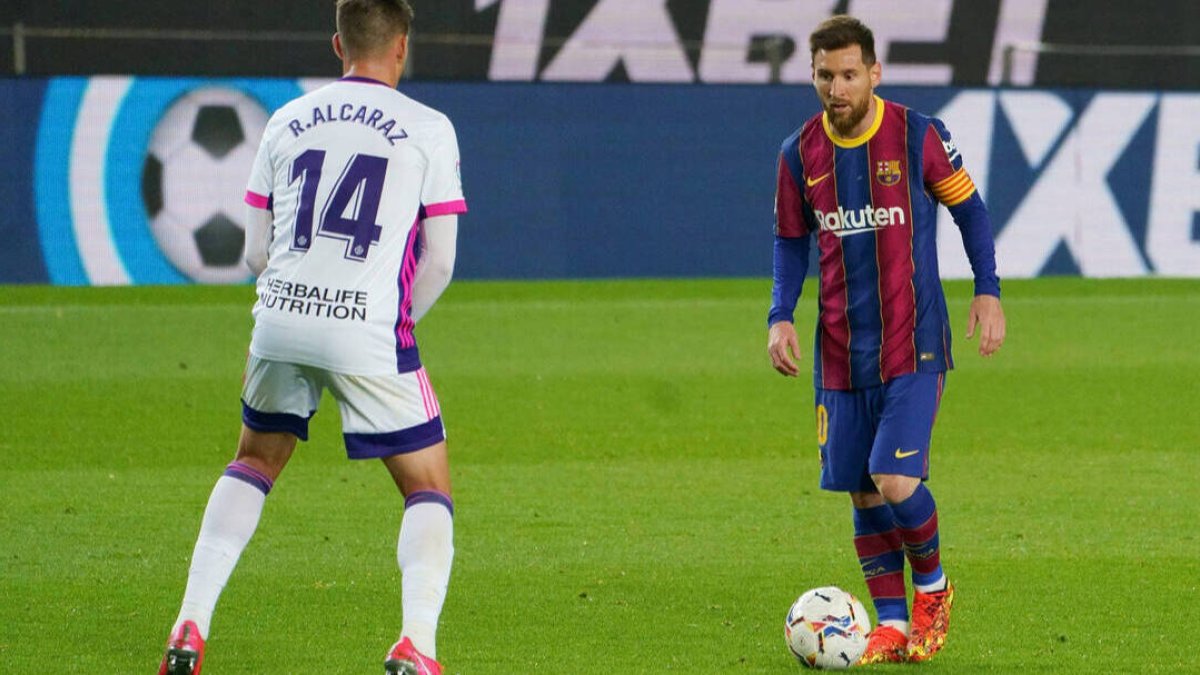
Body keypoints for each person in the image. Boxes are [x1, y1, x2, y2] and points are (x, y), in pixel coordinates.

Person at [157, 1, 465, 674]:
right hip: (369, 325)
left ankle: (188, 623)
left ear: (337, 44)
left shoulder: (286, 119)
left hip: (280, 314)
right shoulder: (429, 128)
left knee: (253, 461)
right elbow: (439, 257)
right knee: (426, 486)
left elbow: (252, 249)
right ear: (402, 48)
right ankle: (418, 644)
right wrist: (397, 320)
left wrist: (284, 307)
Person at [766, 15, 1006, 666]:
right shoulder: (799, 154)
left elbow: (970, 208)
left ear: (875, 71)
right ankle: (893, 624)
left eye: (849, 74)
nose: (837, 87)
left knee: (894, 475)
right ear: (812, 75)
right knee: (863, 489)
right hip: (841, 350)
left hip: (914, 341)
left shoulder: (917, 134)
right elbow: (791, 241)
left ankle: (932, 587)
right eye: (825, 75)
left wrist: (988, 288)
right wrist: (779, 313)